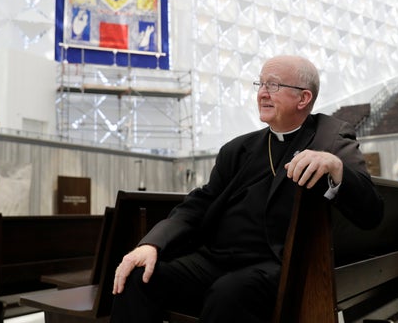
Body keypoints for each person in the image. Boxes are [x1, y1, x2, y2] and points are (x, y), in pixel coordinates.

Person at [110, 55, 384, 323]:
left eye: (273, 85)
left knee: (229, 294)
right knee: (138, 276)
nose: (262, 93)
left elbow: (371, 211)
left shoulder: (331, 137)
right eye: (261, 84)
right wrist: (151, 243)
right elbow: (199, 203)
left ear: (304, 98)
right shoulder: (238, 149)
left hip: (278, 265)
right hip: (216, 259)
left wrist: (336, 167)